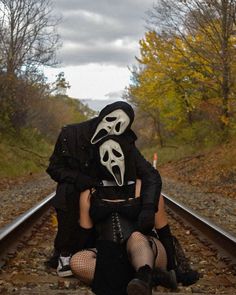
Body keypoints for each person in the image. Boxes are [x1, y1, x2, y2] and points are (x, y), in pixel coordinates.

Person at [46, 101, 162, 277]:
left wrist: (147, 207)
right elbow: (54, 168)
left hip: (107, 194)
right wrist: (80, 179)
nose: (112, 128)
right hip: (80, 188)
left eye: (119, 126)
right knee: (67, 191)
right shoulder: (69, 135)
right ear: (102, 115)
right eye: (111, 120)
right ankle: (66, 251)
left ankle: (135, 248)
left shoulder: (124, 141)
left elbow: (149, 174)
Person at [70, 134, 177, 295]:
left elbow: (164, 231)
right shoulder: (89, 193)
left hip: (148, 248)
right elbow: (85, 235)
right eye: (105, 155)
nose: (112, 160)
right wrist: (79, 255)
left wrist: (173, 267)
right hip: (110, 255)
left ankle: (143, 275)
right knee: (77, 262)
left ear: (126, 156)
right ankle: (144, 280)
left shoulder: (146, 188)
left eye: (116, 153)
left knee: (135, 238)